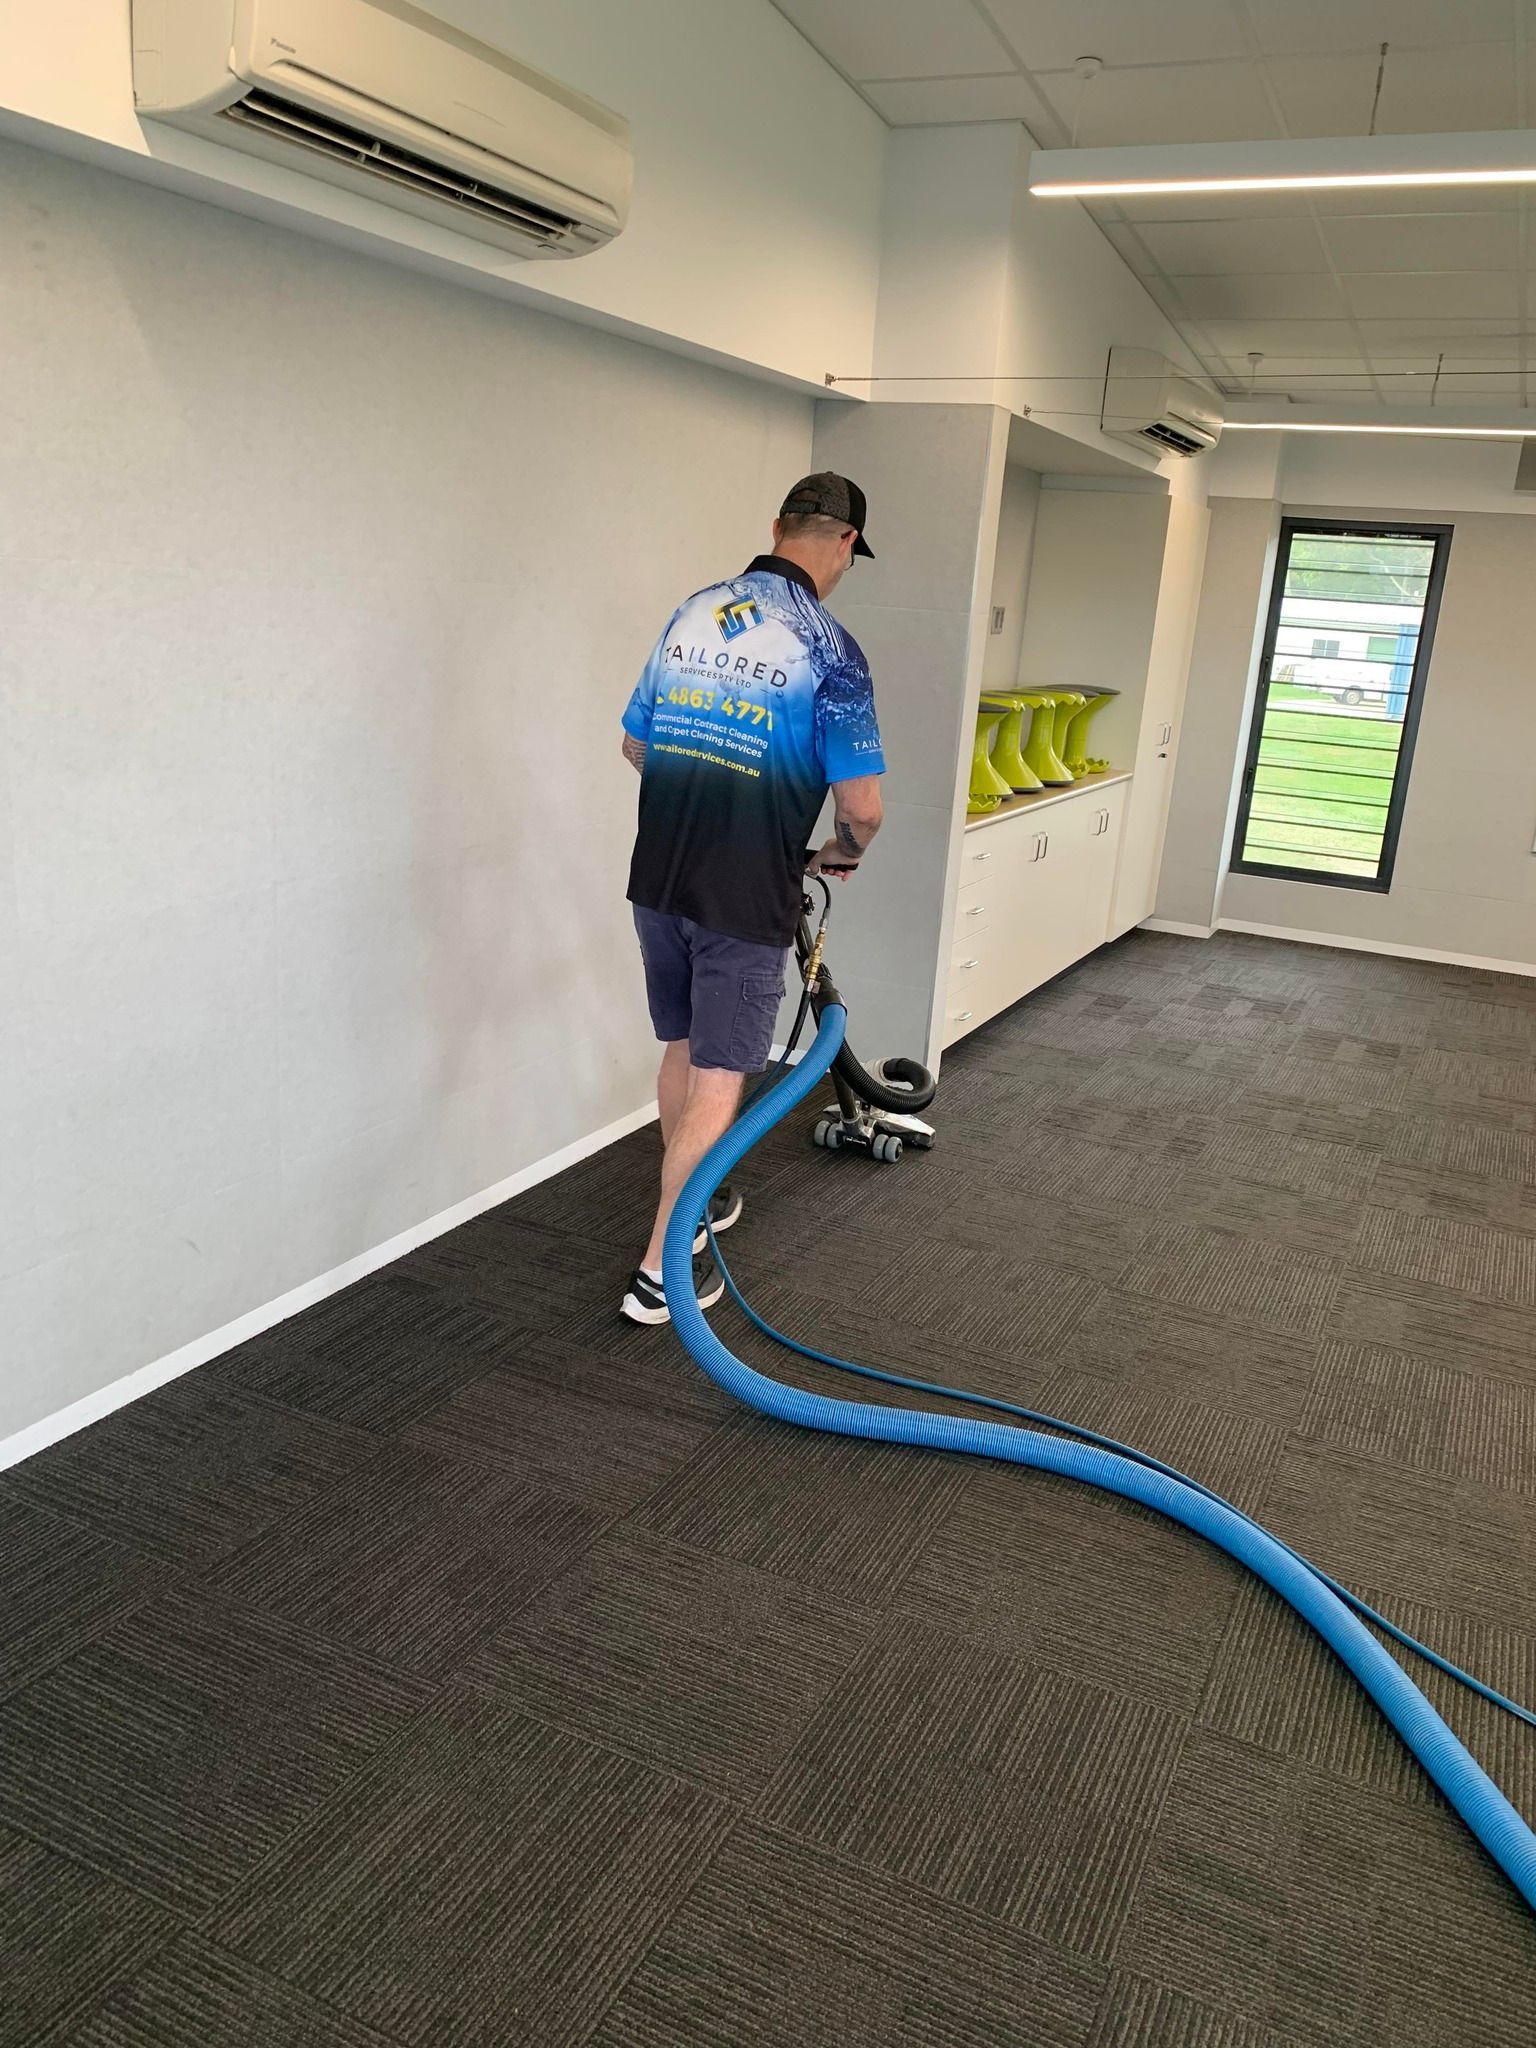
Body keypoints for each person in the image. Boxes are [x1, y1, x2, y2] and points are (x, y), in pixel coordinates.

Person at [617, 473, 886, 1324]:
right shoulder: (833, 652)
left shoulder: (693, 610)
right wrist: (834, 855)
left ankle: (692, 1211)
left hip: (658, 875)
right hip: (741, 890)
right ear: (844, 543)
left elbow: (635, 741)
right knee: (723, 1073)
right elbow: (863, 808)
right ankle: (661, 1272)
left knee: (685, 1048)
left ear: (779, 526)